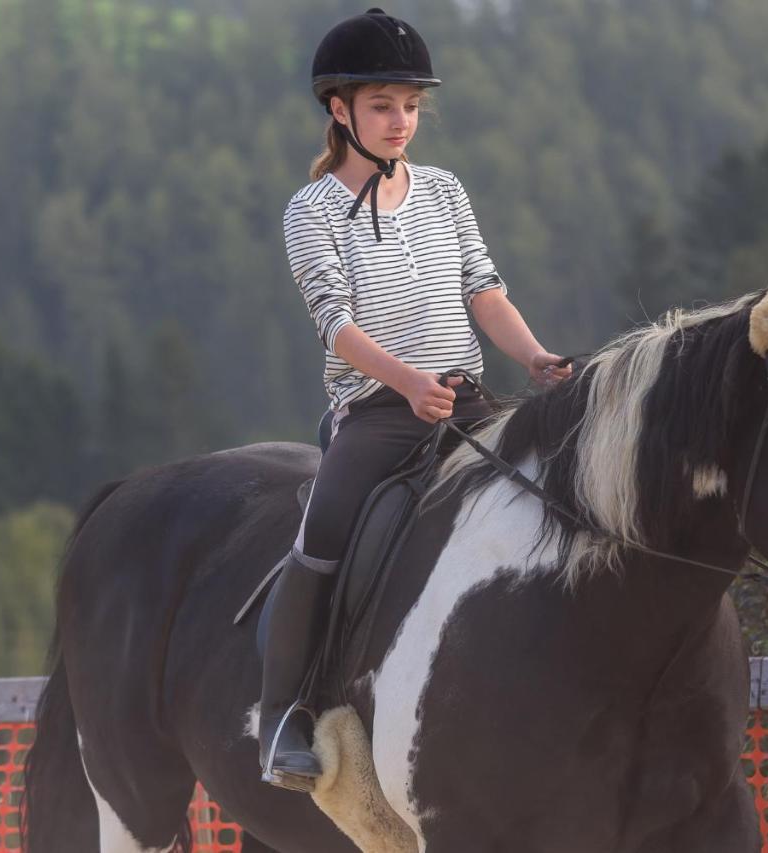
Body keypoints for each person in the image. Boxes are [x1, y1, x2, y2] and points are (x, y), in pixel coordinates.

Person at [260, 6, 573, 790]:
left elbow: (484, 290)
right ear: (340, 110)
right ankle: (284, 718)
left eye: (409, 106)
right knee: (322, 534)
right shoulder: (311, 211)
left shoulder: (443, 191)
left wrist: (535, 356)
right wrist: (405, 381)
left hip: (465, 400)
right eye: (381, 106)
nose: (401, 121)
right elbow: (334, 323)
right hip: (375, 412)